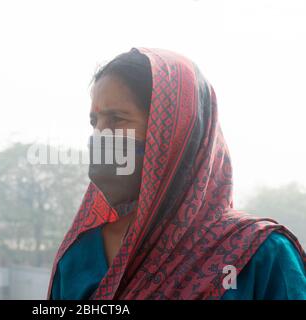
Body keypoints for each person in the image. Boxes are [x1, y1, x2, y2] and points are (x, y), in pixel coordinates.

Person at [47, 47, 306, 300]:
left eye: (117, 119)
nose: (99, 137)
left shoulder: (259, 255)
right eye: (95, 122)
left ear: (175, 135)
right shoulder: (79, 256)